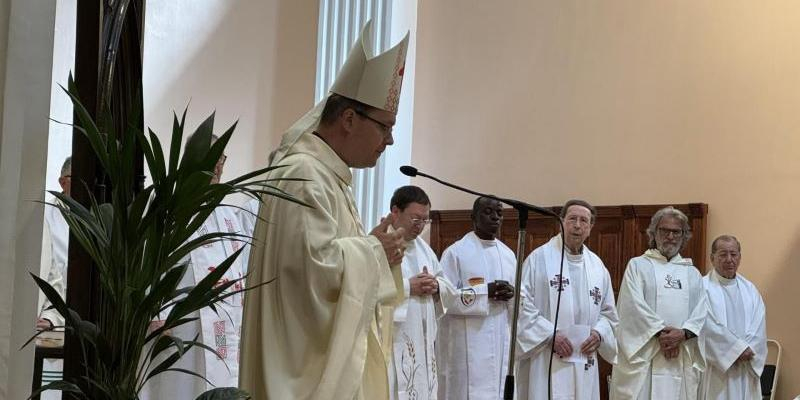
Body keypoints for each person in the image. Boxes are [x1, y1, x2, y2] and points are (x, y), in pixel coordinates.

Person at [238, 21, 410, 400]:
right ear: (348, 119)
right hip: (299, 376)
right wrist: (374, 252)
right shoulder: (304, 175)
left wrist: (375, 251)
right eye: (385, 127)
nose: (390, 140)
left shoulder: (329, 178)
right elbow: (312, 275)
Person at [141, 144, 247, 399]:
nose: (218, 167)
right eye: (212, 158)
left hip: (224, 326)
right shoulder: (168, 207)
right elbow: (148, 262)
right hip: (181, 326)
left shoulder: (229, 215)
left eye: (222, 159)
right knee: (179, 388)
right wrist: (156, 313)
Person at [516, 199, 618, 400]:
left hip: (584, 356)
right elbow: (520, 305)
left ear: (590, 228)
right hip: (546, 355)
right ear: (561, 222)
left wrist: (599, 334)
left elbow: (609, 313)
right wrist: (549, 334)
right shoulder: (538, 259)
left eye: (584, 221)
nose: (577, 225)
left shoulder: (597, 266)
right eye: (572, 219)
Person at [611, 206, 708, 400]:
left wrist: (683, 334)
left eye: (676, 232)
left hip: (681, 354)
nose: (670, 236)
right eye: (664, 230)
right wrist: (663, 335)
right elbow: (631, 307)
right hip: (646, 355)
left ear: (684, 236)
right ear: (654, 233)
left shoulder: (692, 273)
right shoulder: (638, 266)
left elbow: (701, 312)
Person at [436, 196, 516, 399]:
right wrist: (485, 292)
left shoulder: (508, 255)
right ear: (473, 216)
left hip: (500, 336)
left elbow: (519, 297)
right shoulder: (456, 253)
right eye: (488, 212)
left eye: (499, 213)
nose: (495, 217)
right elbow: (444, 297)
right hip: (467, 343)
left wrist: (512, 293)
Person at [387, 185, 442, 400]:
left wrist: (436, 286)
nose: (420, 226)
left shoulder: (424, 249)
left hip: (422, 340)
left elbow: (443, 282)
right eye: (416, 219)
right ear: (395, 211)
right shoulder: (380, 244)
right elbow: (368, 288)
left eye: (425, 220)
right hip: (392, 340)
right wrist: (409, 287)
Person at [701, 235, 766, 400]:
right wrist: (736, 350)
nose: (729, 259)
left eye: (733, 254)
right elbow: (704, 325)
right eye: (723, 254)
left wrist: (748, 349)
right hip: (717, 369)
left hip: (746, 366)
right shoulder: (702, 287)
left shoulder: (750, 289)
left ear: (740, 257)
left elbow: (758, 325)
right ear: (712, 258)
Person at [38, 156, 71, 330]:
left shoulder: (100, 216)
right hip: (52, 311)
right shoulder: (43, 214)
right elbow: (50, 271)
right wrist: (51, 315)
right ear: (62, 182)